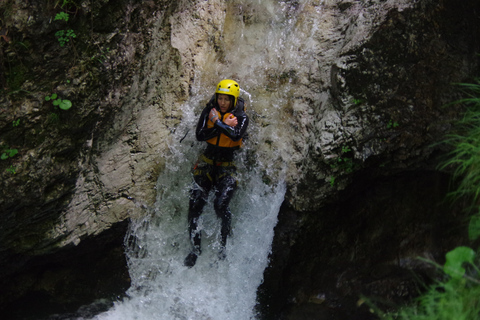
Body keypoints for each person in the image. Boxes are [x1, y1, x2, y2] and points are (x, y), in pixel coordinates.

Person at [184, 79, 249, 268]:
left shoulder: (241, 117)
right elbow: (200, 135)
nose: (222, 103)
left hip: (228, 166)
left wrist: (217, 123)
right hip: (206, 164)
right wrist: (221, 125)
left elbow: (236, 135)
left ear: (233, 101)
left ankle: (223, 245)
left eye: (226, 100)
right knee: (194, 206)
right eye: (220, 98)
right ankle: (195, 250)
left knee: (220, 206)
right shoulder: (209, 111)